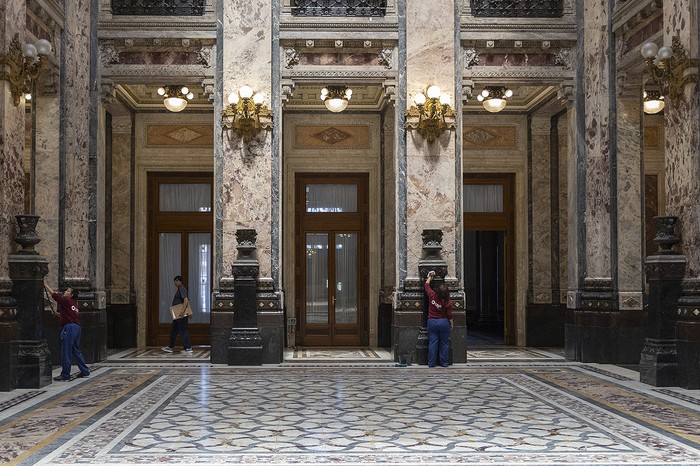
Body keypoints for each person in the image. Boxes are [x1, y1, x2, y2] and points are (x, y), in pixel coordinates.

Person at [44, 281, 90, 381]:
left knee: (66, 350)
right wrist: (59, 315)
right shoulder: (74, 304)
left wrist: (45, 285)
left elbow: (55, 295)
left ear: (71, 295)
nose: (65, 292)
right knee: (75, 350)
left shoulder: (66, 300)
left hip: (69, 328)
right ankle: (85, 371)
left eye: (68, 291)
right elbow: (69, 315)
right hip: (77, 328)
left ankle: (65, 374)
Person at [425, 270, 453, 367]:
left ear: (437, 291)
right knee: (444, 343)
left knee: (433, 342)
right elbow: (449, 315)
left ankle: (431, 363)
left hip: (432, 321)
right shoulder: (447, 302)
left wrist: (430, 277)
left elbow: (427, 286)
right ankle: (444, 363)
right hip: (444, 322)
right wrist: (451, 324)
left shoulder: (432, 296)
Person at [162, 275, 193, 354]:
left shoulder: (181, 288)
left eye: (177, 281)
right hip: (177, 314)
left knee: (183, 330)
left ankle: (188, 348)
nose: (175, 282)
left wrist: (182, 311)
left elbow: (185, 300)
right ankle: (170, 347)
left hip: (180, 314)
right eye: (175, 281)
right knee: (173, 330)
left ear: (180, 281)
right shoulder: (180, 289)